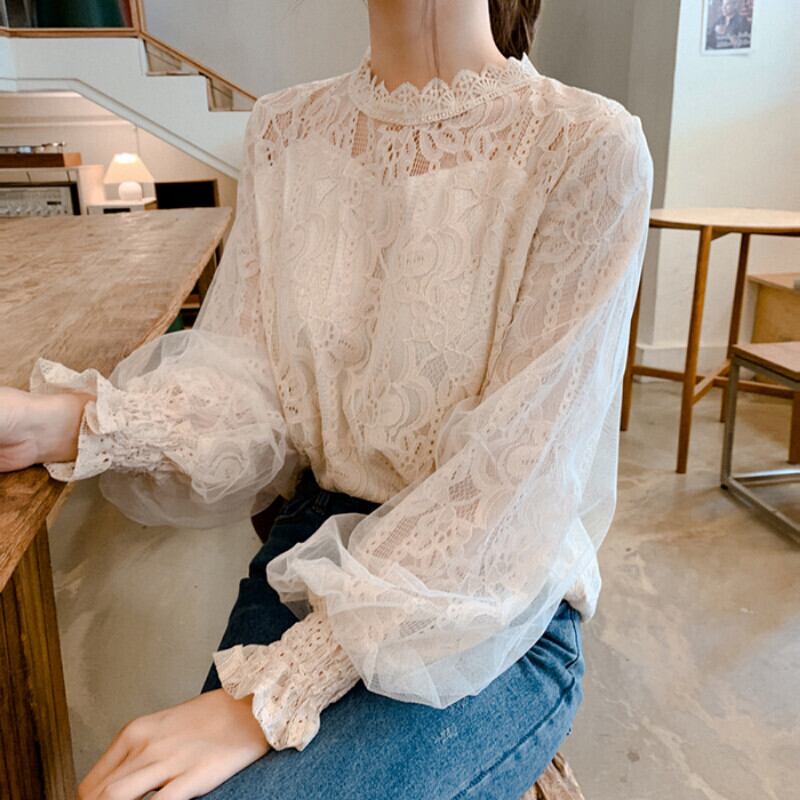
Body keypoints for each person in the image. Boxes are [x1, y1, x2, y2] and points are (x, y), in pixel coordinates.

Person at [0, 0, 654, 797]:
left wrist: (270, 693)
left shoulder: (585, 145)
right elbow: (249, 385)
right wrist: (72, 422)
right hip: (308, 565)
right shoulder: (285, 132)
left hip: (493, 607)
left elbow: (516, 482)